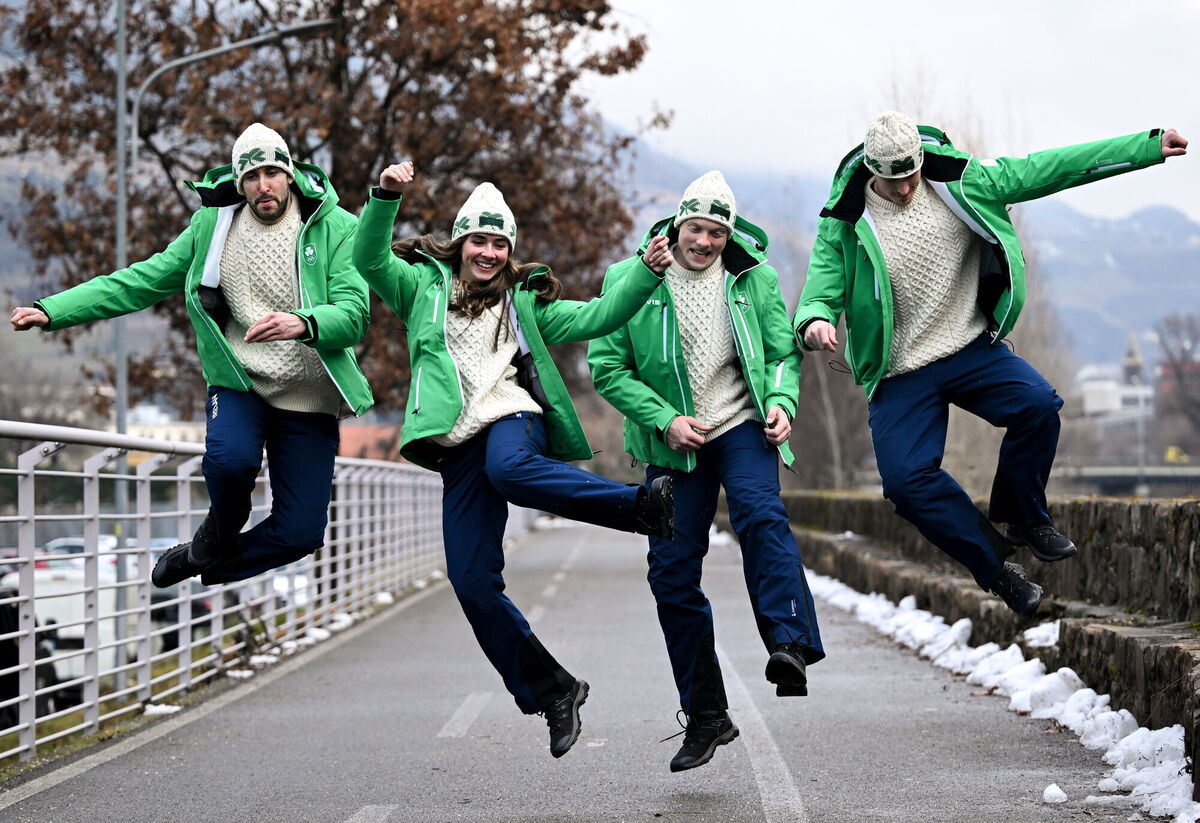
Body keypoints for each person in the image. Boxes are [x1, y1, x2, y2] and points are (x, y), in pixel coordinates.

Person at [794, 111, 1189, 618]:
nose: (907, 189)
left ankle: (1025, 517)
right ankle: (999, 570)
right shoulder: (844, 223)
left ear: (922, 160)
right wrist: (816, 324)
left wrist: (1145, 147)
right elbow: (817, 295)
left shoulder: (963, 180)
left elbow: (1050, 168)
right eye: (894, 183)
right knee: (905, 484)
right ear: (873, 173)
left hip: (969, 348)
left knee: (1038, 405)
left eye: (913, 175)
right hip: (900, 372)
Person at [352, 161, 675, 759]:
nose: (490, 252)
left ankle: (640, 508)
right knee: (472, 583)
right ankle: (554, 691)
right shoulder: (421, 288)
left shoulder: (525, 305)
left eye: (501, 243)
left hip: (512, 417)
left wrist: (644, 272)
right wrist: (384, 198)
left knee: (510, 469)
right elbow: (368, 259)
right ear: (460, 242)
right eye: (480, 240)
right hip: (457, 442)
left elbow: (597, 316)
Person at [11, 123, 374, 587]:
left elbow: (356, 313)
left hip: (310, 396)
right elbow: (140, 280)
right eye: (252, 176)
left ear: (290, 173)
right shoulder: (213, 228)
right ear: (239, 183)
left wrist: (305, 322)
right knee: (229, 462)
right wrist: (51, 311)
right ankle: (219, 529)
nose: (263, 186)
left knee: (301, 532)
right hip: (242, 381)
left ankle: (202, 559)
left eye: (272, 173)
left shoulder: (336, 227)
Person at [588, 171, 824, 772]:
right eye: (697, 228)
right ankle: (707, 716)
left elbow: (780, 356)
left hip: (741, 425)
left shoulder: (754, 278)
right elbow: (609, 368)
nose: (706, 241)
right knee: (670, 573)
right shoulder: (630, 278)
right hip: (672, 442)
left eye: (718, 231)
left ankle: (789, 644)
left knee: (760, 513)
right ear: (677, 224)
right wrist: (664, 418)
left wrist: (782, 401)